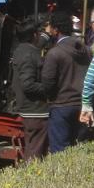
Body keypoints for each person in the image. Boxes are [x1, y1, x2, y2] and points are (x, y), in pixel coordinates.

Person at [41, 13, 87, 154]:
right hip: (82, 104)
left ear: (56, 30)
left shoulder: (54, 53)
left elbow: (48, 82)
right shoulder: (86, 50)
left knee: (60, 152)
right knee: (79, 149)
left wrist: (50, 97)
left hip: (61, 105)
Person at [8, 15, 50, 159]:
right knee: (36, 150)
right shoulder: (29, 55)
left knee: (33, 147)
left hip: (28, 108)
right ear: (34, 35)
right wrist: (49, 89)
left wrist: (46, 35)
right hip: (35, 110)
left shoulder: (21, 50)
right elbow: (28, 84)